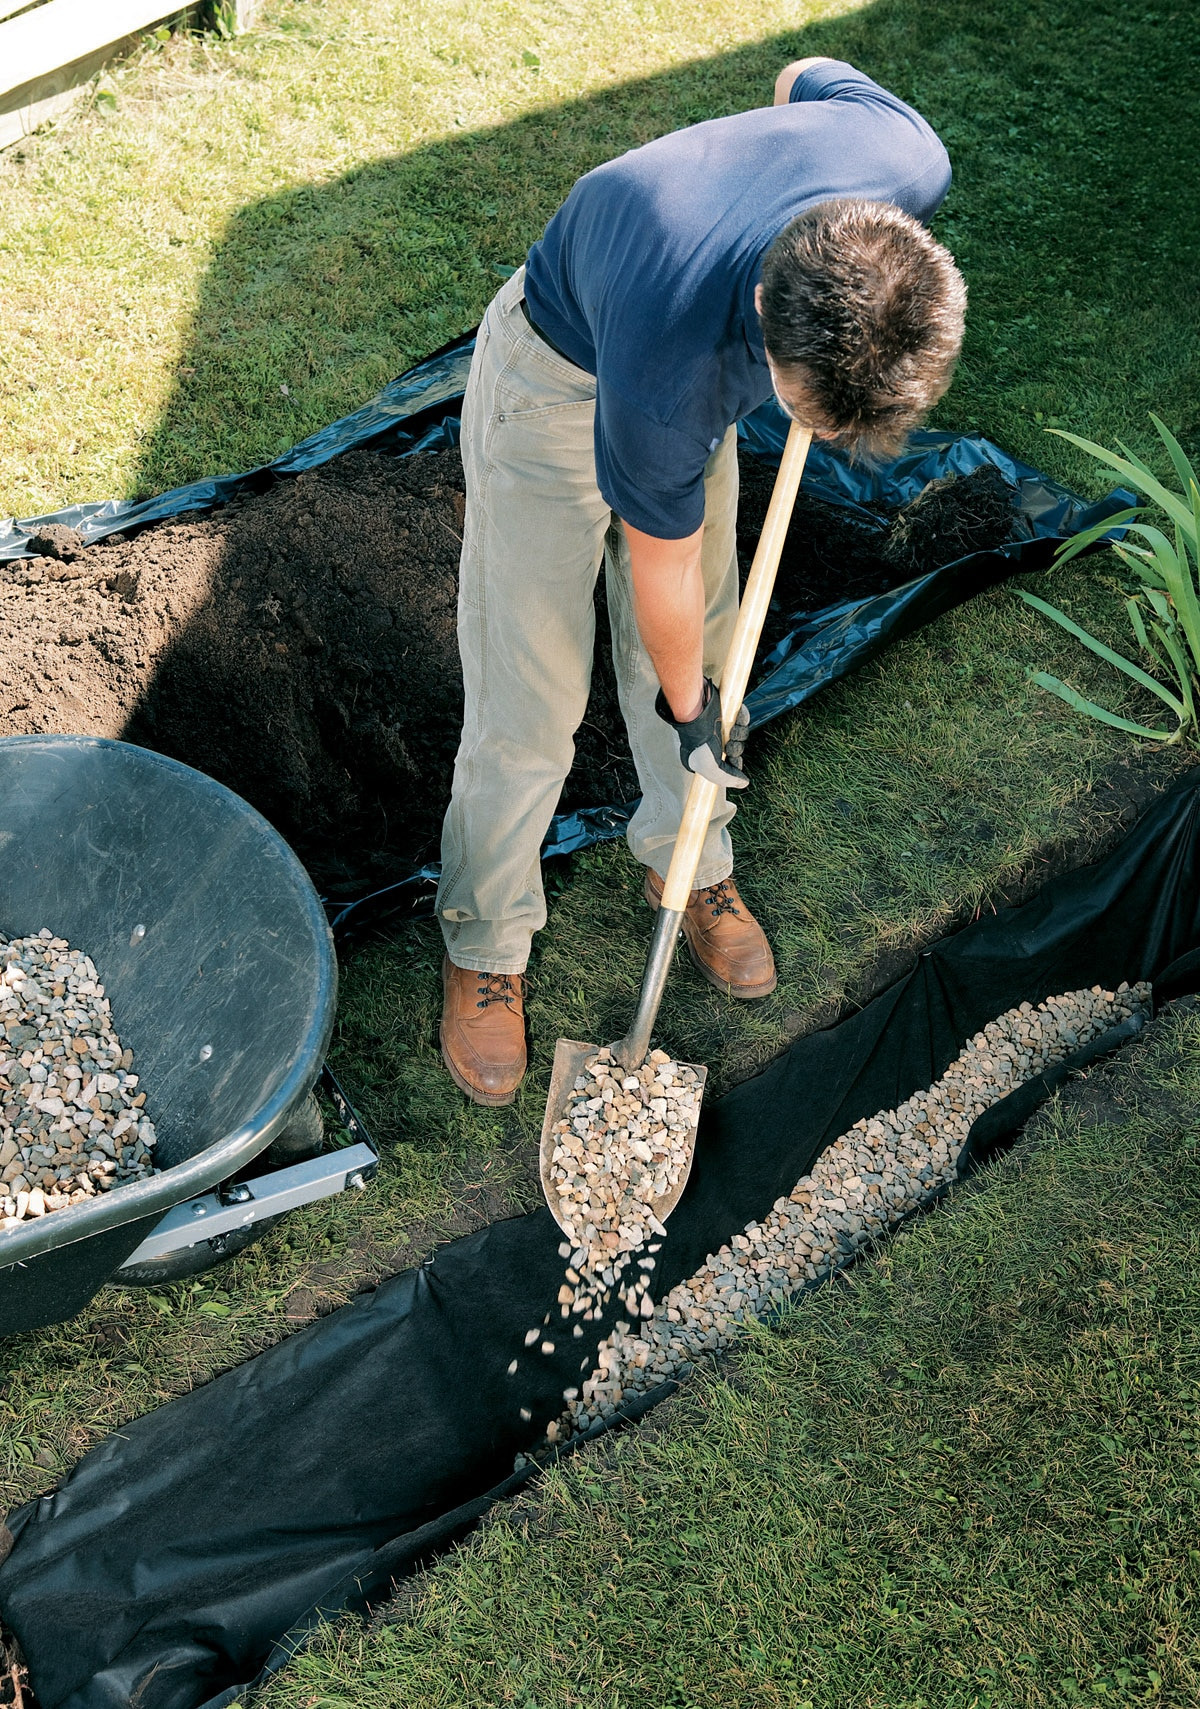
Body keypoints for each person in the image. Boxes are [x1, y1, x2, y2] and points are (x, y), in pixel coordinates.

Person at [437, 56, 967, 1105]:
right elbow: (659, 575)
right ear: (767, 305)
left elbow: (802, 74)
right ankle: (485, 938)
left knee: (712, 649)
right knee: (534, 692)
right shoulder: (670, 365)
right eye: (803, 403)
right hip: (560, 375)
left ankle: (688, 859)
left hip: (691, 330)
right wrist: (693, 715)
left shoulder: (903, 159)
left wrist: (701, 698)